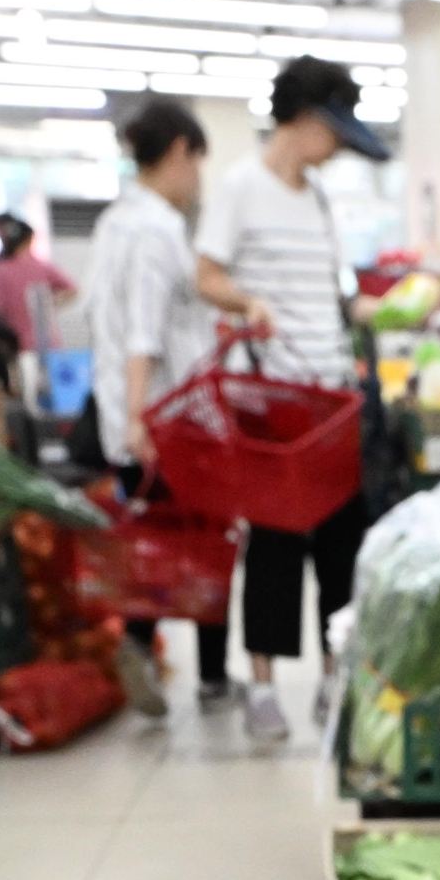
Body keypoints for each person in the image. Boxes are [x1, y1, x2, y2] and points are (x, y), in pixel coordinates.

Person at [194, 54, 386, 746]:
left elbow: (328, 296)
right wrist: (249, 302)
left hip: (331, 390)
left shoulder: (318, 199)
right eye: (333, 133)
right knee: (275, 541)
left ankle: (336, 676)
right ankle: (264, 685)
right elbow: (206, 274)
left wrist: (374, 313)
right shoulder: (240, 188)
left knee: (342, 539)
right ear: (305, 123)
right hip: (272, 394)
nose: (335, 150)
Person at [88, 99, 228, 714]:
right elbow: (144, 331)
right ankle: (208, 677)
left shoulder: (114, 223)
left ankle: (147, 648)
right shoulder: (156, 229)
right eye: (197, 163)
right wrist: (143, 417)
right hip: (169, 421)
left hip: (135, 415)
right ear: (178, 152)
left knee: (156, 544)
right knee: (206, 545)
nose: (197, 179)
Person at [0, 214, 74, 358]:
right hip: (49, 344)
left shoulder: (2, 269)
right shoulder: (42, 266)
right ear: (29, 239)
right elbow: (72, 289)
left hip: (18, 346)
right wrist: (52, 303)